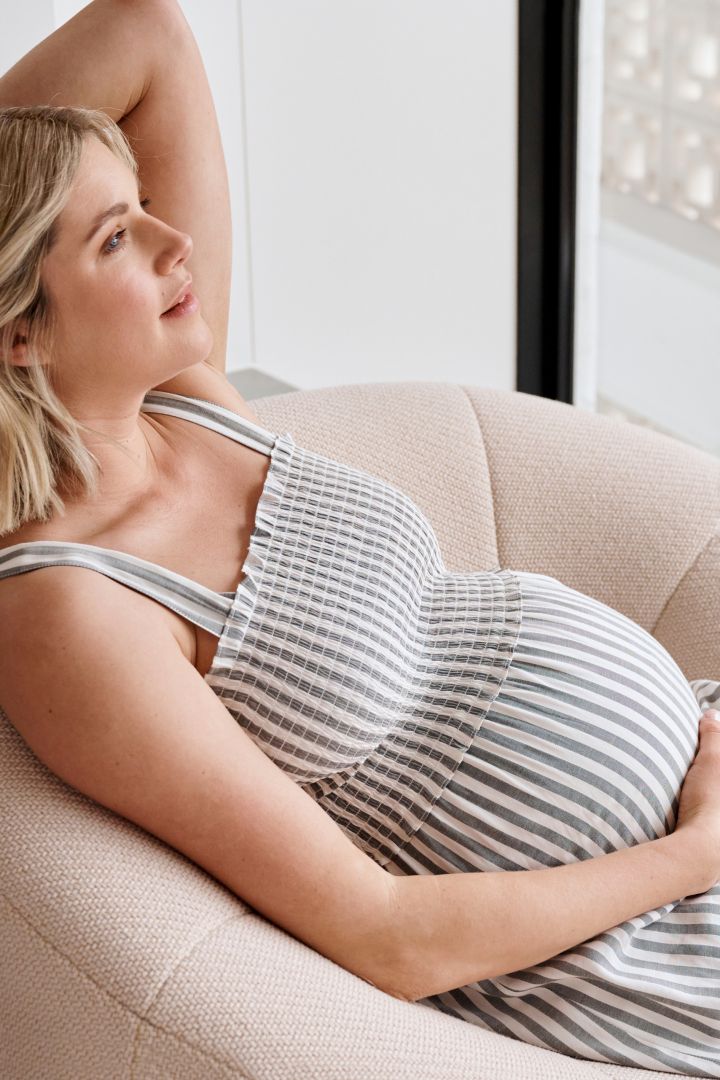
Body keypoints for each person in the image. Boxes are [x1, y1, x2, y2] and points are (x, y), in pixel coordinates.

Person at [1, 2, 719, 1074]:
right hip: (633, 943)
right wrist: (695, 853)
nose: (173, 240)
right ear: (19, 331)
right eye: (116, 235)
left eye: (144, 202)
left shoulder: (187, 398)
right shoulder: (71, 609)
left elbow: (145, 34)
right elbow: (382, 931)